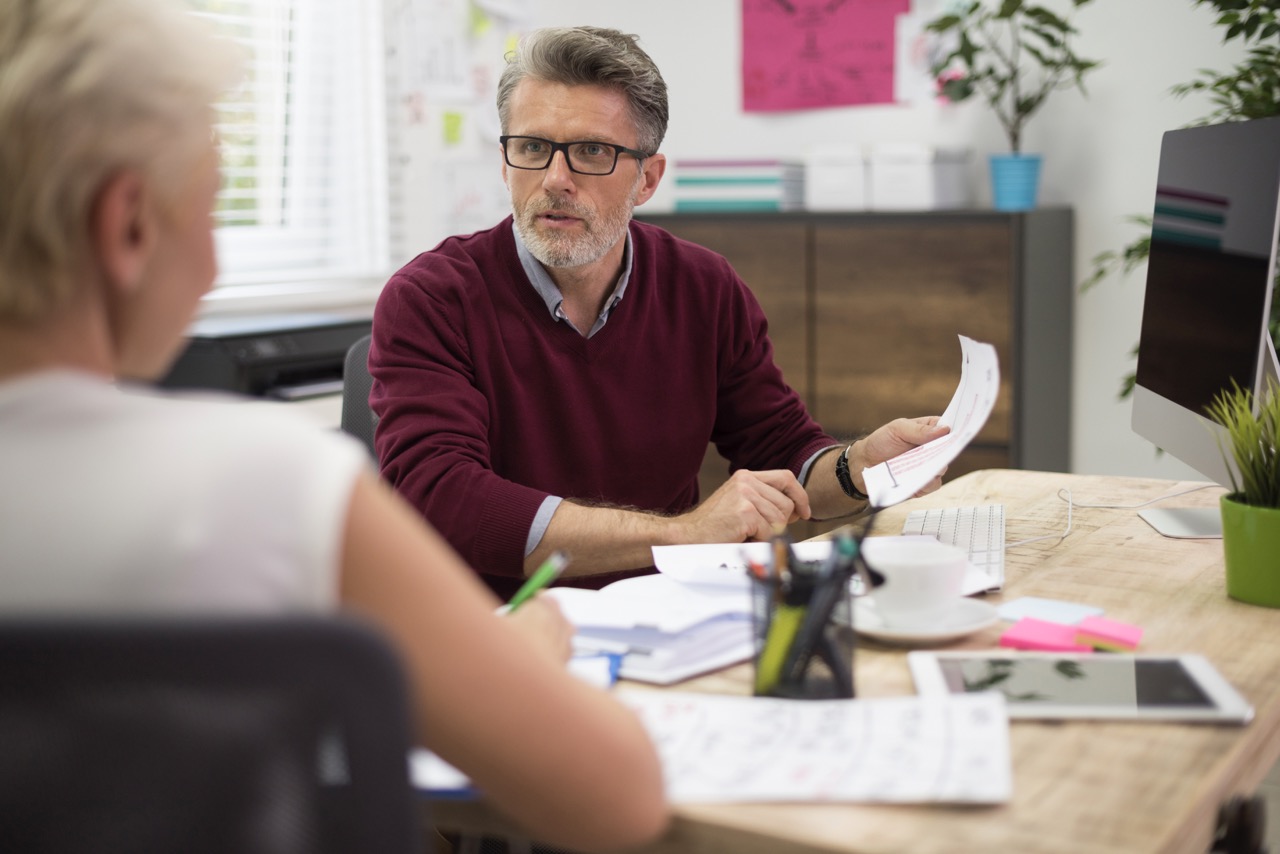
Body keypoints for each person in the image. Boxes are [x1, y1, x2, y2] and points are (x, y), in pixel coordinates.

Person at [0, 3, 667, 851]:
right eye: (209, 205)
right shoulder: (262, 483)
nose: (210, 262)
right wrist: (528, 656)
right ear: (127, 225)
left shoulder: (697, 286)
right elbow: (619, 801)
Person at [370, 25, 949, 598]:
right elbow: (443, 499)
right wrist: (683, 535)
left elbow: (784, 454)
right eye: (532, 148)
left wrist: (862, 465)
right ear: (504, 163)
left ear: (648, 178)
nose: (555, 180)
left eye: (592, 151)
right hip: (500, 632)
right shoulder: (430, 298)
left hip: (668, 618)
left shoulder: (705, 287)